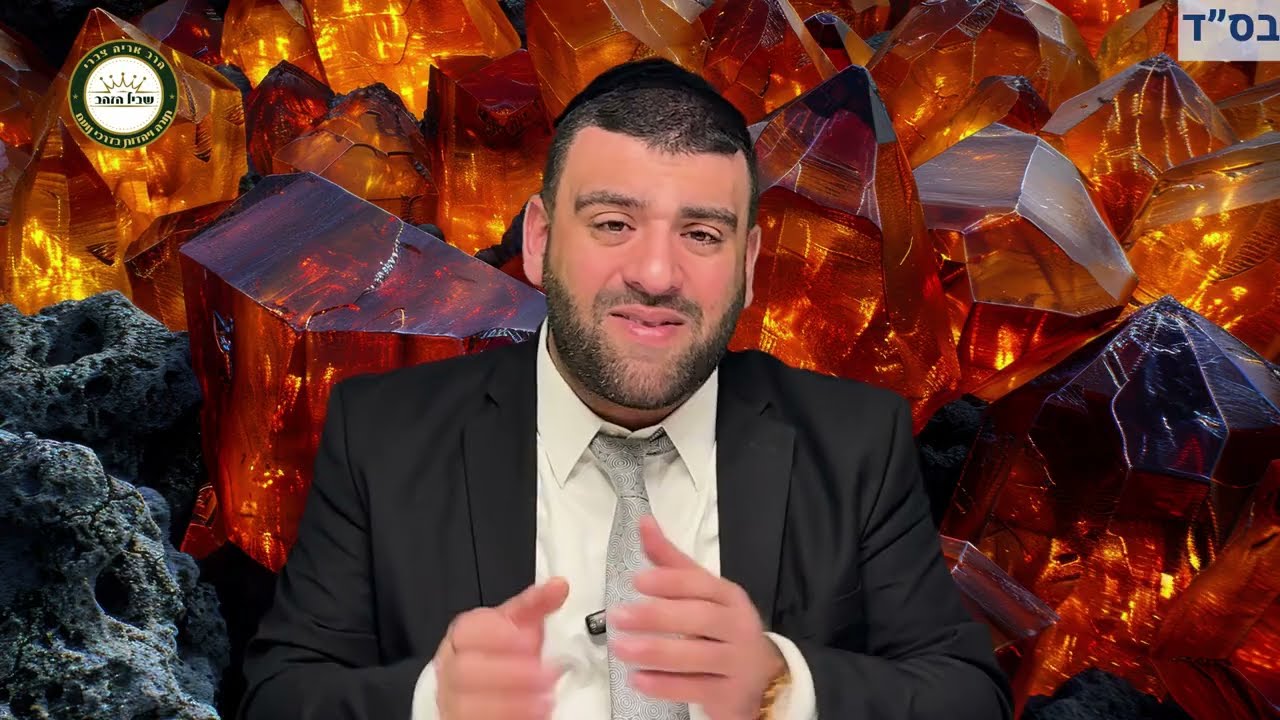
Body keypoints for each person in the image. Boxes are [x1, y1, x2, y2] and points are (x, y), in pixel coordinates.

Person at [239, 58, 1013, 720]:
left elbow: (968, 696)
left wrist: (784, 685)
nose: (655, 274)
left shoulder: (854, 442)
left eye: (702, 234)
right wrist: (430, 701)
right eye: (613, 223)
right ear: (540, 240)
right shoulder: (384, 433)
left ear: (748, 267)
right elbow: (278, 694)